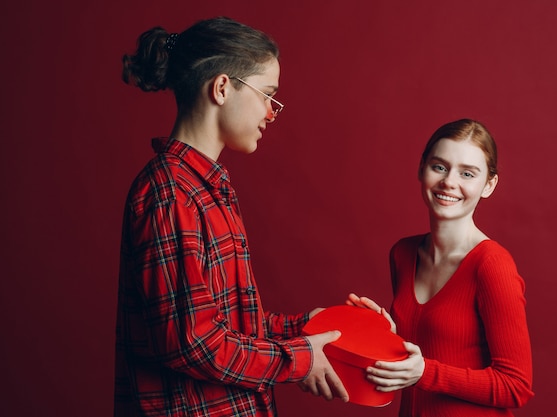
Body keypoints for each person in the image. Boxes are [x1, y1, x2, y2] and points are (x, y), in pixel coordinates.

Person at [114, 16, 348, 417]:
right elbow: (193, 343)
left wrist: (306, 327)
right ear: (222, 88)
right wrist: (298, 358)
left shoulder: (208, 189)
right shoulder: (170, 194)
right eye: (267, 95)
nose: (272, 113)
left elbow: (228, 327)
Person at [348, 119, 534, 416]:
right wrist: (384, 333)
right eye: (439, 167)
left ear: (489, 185)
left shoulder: (492, 265)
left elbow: (516, 386)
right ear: (422, 169)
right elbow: (424, 353)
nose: (449, 182)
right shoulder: (403, 253)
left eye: (467, 174)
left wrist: (425, 374)